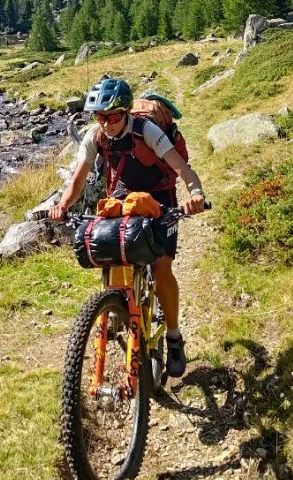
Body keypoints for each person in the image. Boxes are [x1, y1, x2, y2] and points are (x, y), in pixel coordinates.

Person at [49, 77, 207, 377]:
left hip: (158, 198)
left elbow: (181, 167)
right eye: (100, 117)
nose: (106, 124)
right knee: (110, 250)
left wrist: (195, 193)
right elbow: (78, 178)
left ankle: (173, 336)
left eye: (112, 117)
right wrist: (63, 206)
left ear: (126, 113)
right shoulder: (95, 137)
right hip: (121, 198)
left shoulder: (145, 130)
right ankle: (113, 306)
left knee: (161, 269)